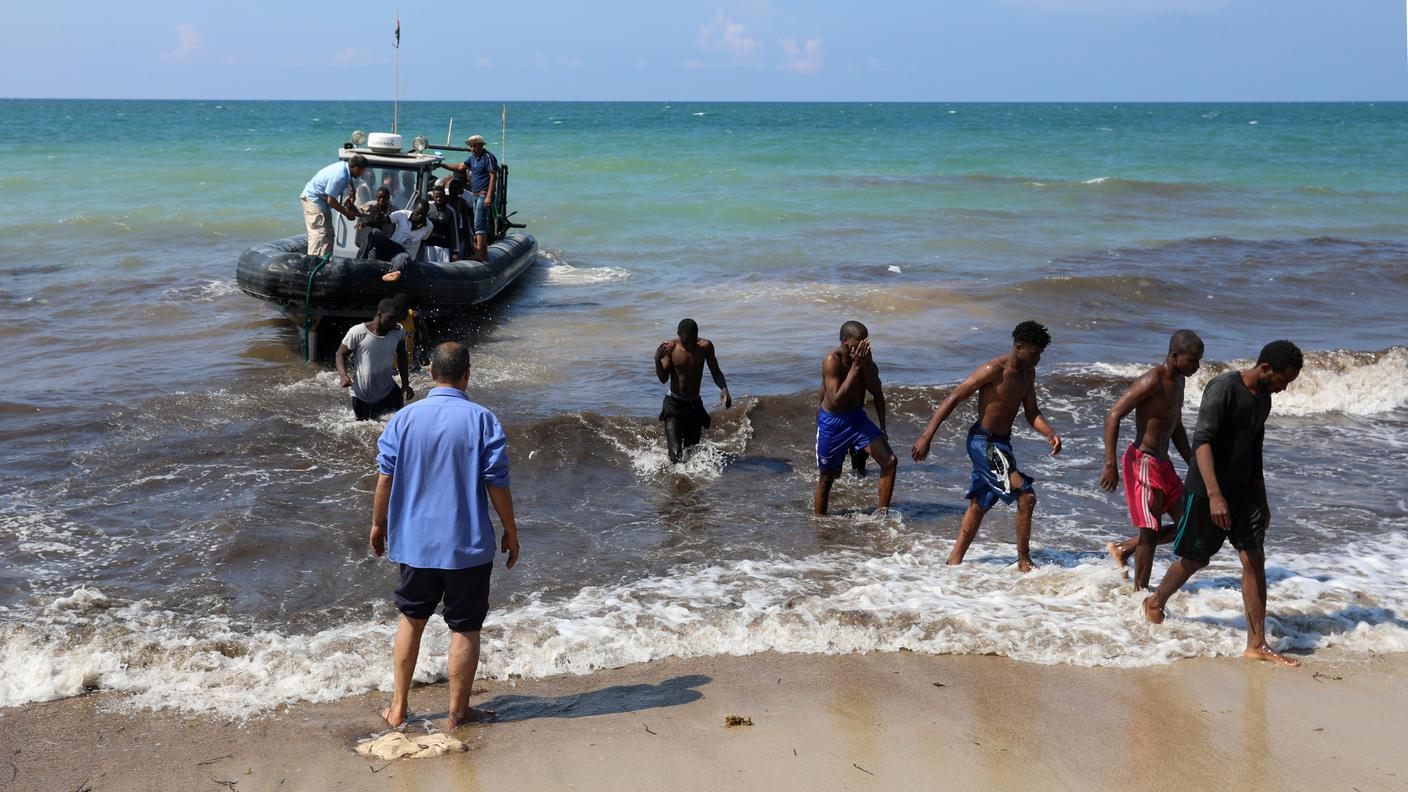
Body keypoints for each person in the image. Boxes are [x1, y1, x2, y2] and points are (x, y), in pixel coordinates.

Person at [371, 342, 520, 729]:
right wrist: (510, 530)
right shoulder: (483, 419)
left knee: (411, 619)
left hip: (415, 544)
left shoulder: (403, 418)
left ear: (431, 374)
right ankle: (457, 713)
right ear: (467, 374)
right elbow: (496, 482)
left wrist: (378, 524)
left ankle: (399, 708)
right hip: (465, 545)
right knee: (466, 626)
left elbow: (385, 475)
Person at [1141, 341, 1303, 667]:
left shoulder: (1264, 398)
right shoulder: (1223, 389)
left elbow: (1255, 448)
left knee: (1254, 559)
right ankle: (1154, 601)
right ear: (1266, 369)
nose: (1283, 389)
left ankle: (1256, 644)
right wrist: (1215, 495)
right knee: (1195, 559)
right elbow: (1203, 442)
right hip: (1206, 490)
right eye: (1282, 381)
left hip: (1245, 492)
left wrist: (1263, 499)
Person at [910, 321, 1061, 572]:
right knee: (1026, 495)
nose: (1038, 359)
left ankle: (953, 563)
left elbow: (1032, 411)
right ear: (1019, 347)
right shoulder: (993, 369)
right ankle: (1024, 562)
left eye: (1040, 354)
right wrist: (927, 436)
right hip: (983, 442)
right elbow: (954, 398)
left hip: (1002, 444)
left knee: (980, 503)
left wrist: (1049, 433)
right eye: (1034, 354)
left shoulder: (1028, 373)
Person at [1100, 330, 1204, 589]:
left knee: (1189, 524)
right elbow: (1113, 415)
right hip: (1142, 462)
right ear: (1175, 356)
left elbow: (1176, 426)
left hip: (1163, 463)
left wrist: (1193, 462)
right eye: (1193, 361)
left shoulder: (1180, 381)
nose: (1198, 367)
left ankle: (1125, 549)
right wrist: (1111, 465)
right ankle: (1140, 594)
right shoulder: (1151, 381)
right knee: (1150, 529)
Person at [814, 321, 898, 516]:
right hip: (833, 422)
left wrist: (883, 426)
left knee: (890, 462)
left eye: (867, 341)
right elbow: (834, 398)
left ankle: (882, 516)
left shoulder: (866, 361)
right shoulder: (831, 360)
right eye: (860, 341)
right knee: (827, 478)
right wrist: (855, 367)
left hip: (857, 418)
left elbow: (876, 391)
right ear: (845, 341)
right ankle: (820, 525)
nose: (865, 345)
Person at [654, 318, 731, 464]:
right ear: (678, 335)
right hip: (674, 405)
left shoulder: (705, 347)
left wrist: (724, 389)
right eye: (685, 341)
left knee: (691, 453)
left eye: (691, 341)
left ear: (697, 336)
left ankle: (691, 485)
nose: (688, 344)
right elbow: (663, 378)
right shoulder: (670, 348)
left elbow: (715, 371)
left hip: (695, 405)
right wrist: (657, 361)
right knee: (676, 456)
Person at [337, 297, 414, 420]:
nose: (394, 323)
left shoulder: (398, 332)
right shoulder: (358, 332)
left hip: (389, 391)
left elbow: (402, 356)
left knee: (400, 423)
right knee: (362, 431)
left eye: (396, 319)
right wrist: (343, 375)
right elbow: (340, 354)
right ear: (379, 314)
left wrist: (405, 385)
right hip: (362, 396)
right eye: (391, 318)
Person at [437, 134, 498, 261]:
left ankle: (480, 254)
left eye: (474, 146)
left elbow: (493, 176)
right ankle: (483, 252)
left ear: (481, 145)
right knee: (480, 224)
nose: (472, 148)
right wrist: (442, 165)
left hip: (483, 194)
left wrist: (489, 196)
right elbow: (460, 167)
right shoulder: (473, 158)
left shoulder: (488, 157)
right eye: (470, 146)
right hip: (476, 195)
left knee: (478, 225)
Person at [300, 154, 367, 257]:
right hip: (313, 200)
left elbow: (348, 178)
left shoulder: (345, 166)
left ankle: (325, 262)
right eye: (362, 170)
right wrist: (347, 213)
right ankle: (312, 265)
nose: (363, 173)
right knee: (319, 235)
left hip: (322, 201)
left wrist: (352, 190)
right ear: (356, 168)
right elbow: (331, 200)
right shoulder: (339, 176)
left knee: (329, 234)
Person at [357, 200, 432, 283]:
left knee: (402, 258)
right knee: (375, 232)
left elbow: (423, 241)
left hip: (403, 252)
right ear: (413, 209)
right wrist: (367, 223)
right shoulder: (402, 214)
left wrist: (416, 261)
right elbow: (384, 221)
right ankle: (359, 261)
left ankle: (391, 274)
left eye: (423, 214)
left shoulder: (429, 226)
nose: (420, 216)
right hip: (392, 246)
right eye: (418, 213)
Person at [423, 185, 461, 260]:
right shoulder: (428, 208)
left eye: (440, 197)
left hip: (443, 248)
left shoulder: (450, 211)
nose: (438, 199)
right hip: (429, 247)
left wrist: (456, 251)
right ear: (433, 196)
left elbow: (454, 232)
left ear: (444, 196)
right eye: (436, 197)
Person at [445, 178, 476, 259]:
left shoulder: (462, 203)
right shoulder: (444, 199)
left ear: (460, 191)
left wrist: (469, 242)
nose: (452, 190)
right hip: (446, 231)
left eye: (455, 189)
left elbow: (466, 222)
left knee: (457, 254)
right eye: (451, 188)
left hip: (458, 231)